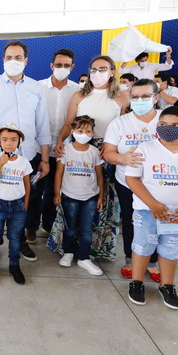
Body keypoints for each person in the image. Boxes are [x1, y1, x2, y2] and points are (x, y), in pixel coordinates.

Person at [102, 79, 178, 281]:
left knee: (164, 221)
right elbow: (108, 153)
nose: (140, 100)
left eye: (146, 96)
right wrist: (123, 158)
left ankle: (154, 262)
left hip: (165, 182)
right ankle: (131, 260)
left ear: (156, 98)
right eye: (135, 97)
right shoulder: (120, 123)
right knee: (134, 223)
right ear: (130, 99)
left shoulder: (168, 118)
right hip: (129, 182)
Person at [125, 106, 178, 310]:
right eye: (163, 125)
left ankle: (168, 285)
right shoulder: (144, 148)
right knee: (143, 246)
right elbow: (132, 178)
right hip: (148, 211)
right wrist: (152, 204)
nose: (168, 129)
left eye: (176, 125)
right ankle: (137, 283)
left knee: (171, 250)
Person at [0, 40, 50, 262]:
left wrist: (45, 158)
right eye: (9, 57)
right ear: (3, 60)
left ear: (26, 61)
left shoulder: (36, 88)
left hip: (27, 155)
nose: (13, 61)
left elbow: (42, 124)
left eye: (18, 58)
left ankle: (22, 242)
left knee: (28, 199)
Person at [55, 55, 129, 262]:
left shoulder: (122, 97)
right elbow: (69, 123)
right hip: (79, 148)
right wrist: (60, 141)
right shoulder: (79, 95)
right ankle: (69, 247)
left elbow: (125, 126)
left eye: (102, 69)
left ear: (112, 72)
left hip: (108, 152)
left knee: (102, 199)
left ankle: (95, 248)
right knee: (73, 195)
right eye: (94, 70)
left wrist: (112, 147)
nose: (97, 74)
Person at [35, 48, 80, 240]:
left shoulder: (78, 90)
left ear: (72, 67)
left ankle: (49, 227)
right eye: (58, 65)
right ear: (51, 66)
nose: (62, 68)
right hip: (39, 149)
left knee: (56, 191)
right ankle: (30, 228)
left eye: (66, 65)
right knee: (36, 190)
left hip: (64, 150)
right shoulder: (38, 87)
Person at [53, 115, 104, 276]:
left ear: (92, 132)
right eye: (80, 130)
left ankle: (84, 257)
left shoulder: (94, 152)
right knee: (70, 228)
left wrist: (101, 196)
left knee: (87, 229)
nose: (84, 133)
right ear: (73, 131)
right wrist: (57, 193)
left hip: (90, 196)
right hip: (69, 195)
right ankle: (68, 252)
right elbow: (58, 174)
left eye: (88, 131)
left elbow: (100, 176)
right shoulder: (65, 150)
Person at [0, 123, 32, 285]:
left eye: (13, 139)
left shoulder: (24, 162)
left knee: (15, 239)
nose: (9, 143)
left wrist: (25, 205)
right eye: (5, 139)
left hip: (18, 205)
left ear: (19, 141)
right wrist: (0, 164)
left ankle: (14, 265)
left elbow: (27, 184)